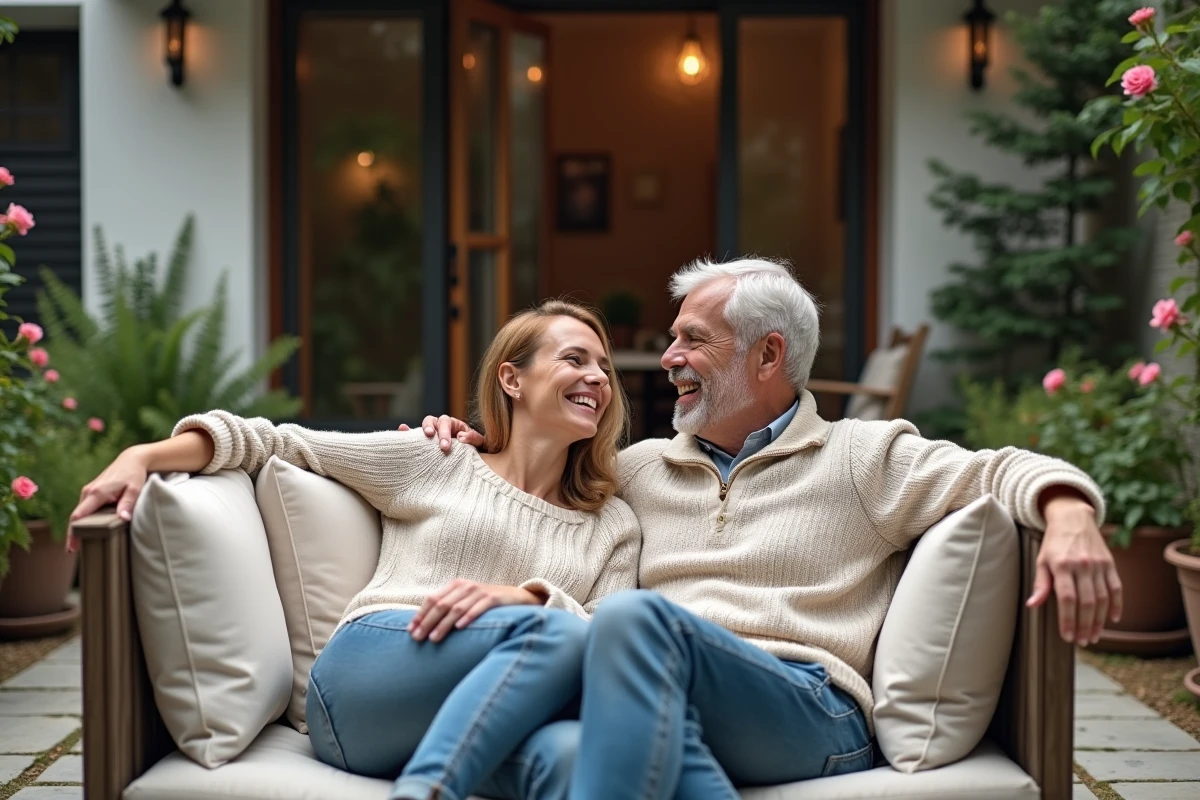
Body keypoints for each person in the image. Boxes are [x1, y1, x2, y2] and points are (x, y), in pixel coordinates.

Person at [416, 257, 1121, 798]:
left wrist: (1068, 511)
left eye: (692, 340)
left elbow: (999, 470)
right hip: (669, 695)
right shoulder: (637, 470)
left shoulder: (860, 456)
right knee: (615, 678)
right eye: (672, 339)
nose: (667, 359)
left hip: (809, 709)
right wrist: (472, 443)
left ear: (767, 356)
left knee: (633, 624)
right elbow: (549, 498)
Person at [68, 300, 641, 800]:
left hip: (474, 713)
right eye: (575, 359)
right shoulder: (436, 459)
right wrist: (142, 456)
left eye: (604, 367)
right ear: (512, 380)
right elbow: (273, 441)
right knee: (553, 631)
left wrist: (521, 597)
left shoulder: (612, 524)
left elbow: (612, 639)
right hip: (370, 679)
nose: (597, 377)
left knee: (569, 758)